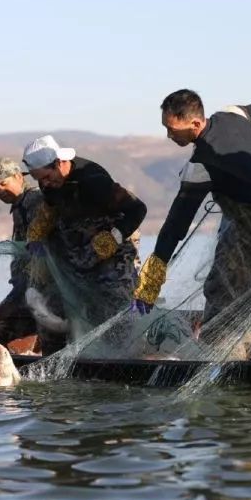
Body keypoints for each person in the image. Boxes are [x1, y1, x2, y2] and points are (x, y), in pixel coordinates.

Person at [133, 89, 251, 324]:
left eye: (172, 130)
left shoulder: (200, 165)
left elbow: (175, 225)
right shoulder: (233, 115)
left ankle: (220, 352)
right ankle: (221, 343)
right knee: (236, 291)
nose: (168, 135)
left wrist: (151, 283)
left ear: (195, 123)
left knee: (230, 295)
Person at [23, 135, 147, 354]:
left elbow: (137, 209)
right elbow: (51, 208)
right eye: (38, 180)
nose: (43, 184)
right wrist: (38, 230)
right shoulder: (51, 184)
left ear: (59, 163)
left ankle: (124, 360)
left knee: (115, 309)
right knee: (55, 307)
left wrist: (115, 236)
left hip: (112, 252)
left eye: (46, 177)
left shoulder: (94, 180)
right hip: (80, 252)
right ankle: (57, 362)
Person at [0, 158, 44, 351]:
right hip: (24, 287)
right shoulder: (20, 205)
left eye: (3, 183)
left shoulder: (33, 200)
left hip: (37, 289)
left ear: (18, 177)